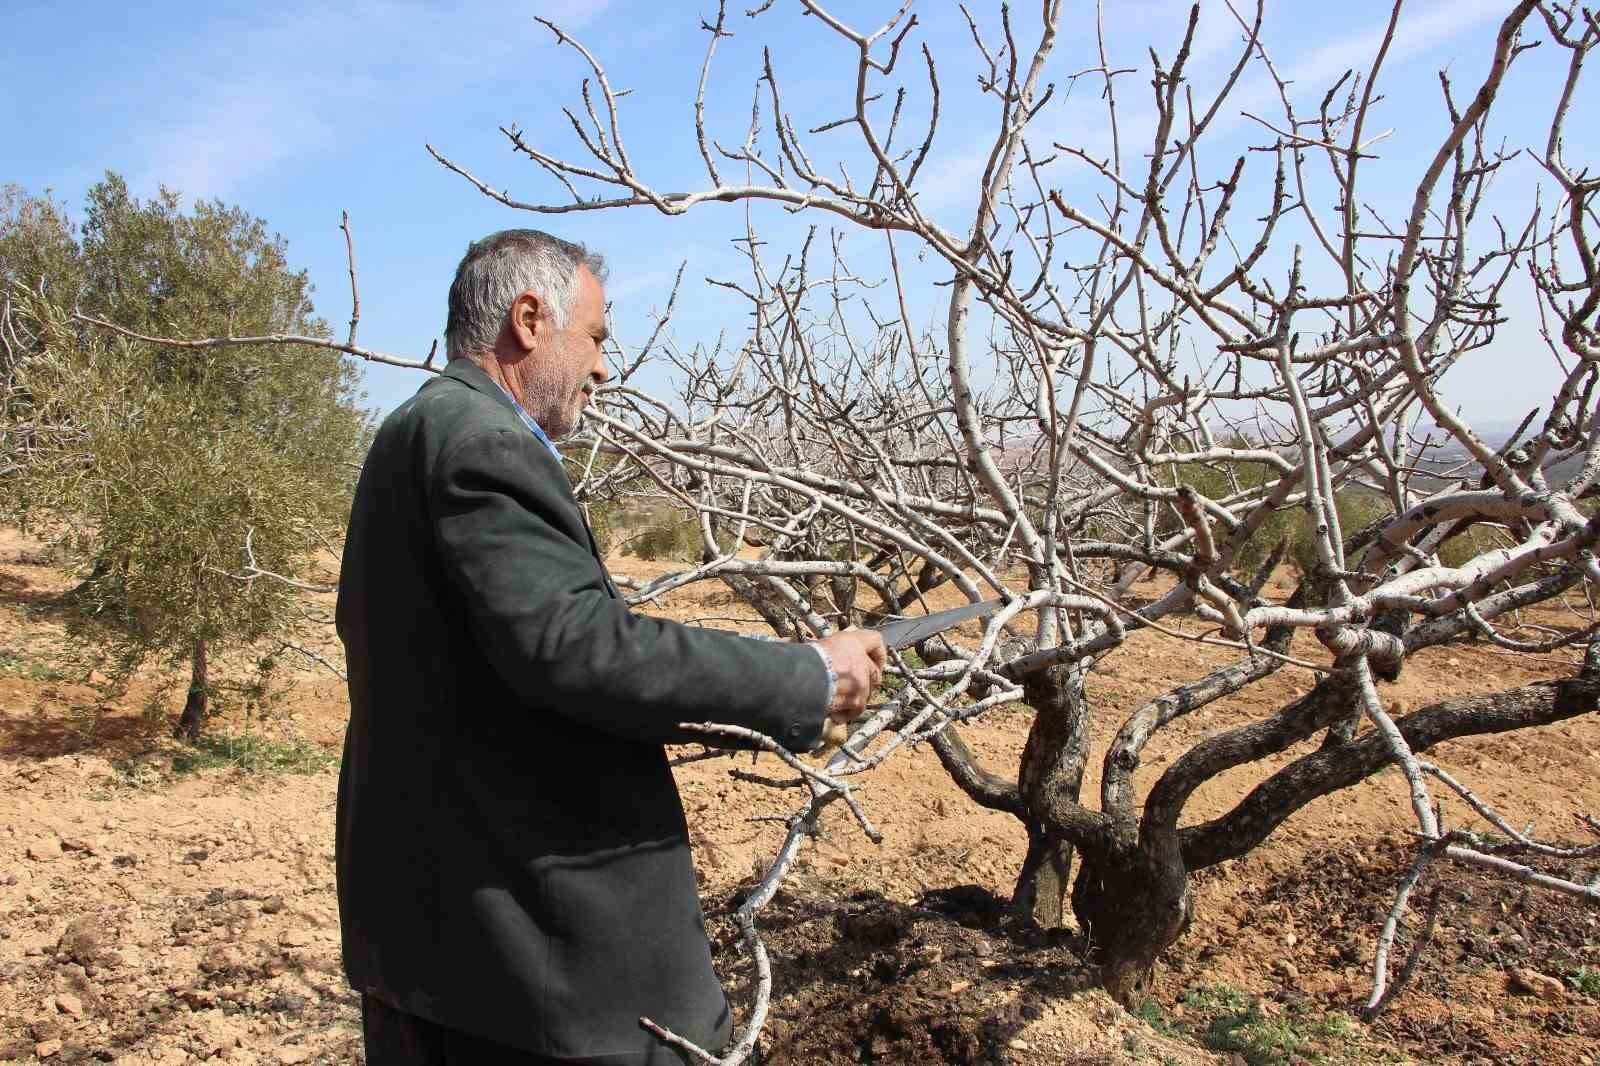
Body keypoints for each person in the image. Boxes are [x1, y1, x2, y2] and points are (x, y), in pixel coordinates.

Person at [335, 229, 885, 1066]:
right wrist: (807, 676)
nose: (603, 367)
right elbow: (581, 648)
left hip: (440, 944)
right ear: (529, 320)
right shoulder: (482, 440)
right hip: (532, 956)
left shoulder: (413, 428)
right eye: (595, 337)